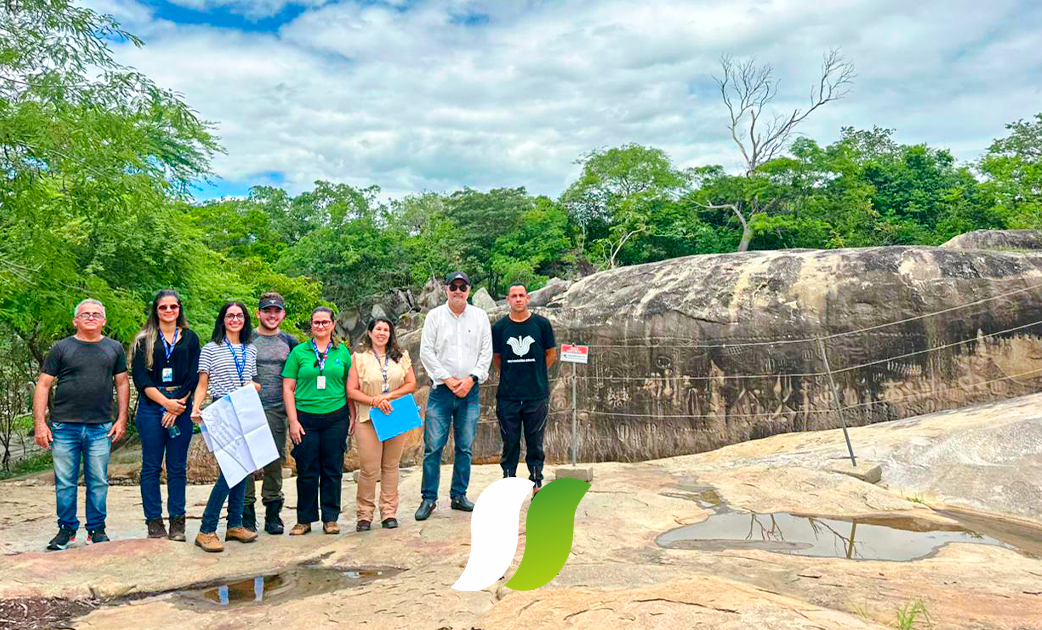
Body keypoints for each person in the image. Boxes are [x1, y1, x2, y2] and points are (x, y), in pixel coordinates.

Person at [32, 298, 130, 550]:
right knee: (65, 481)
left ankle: (96, 529)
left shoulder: (114, 348)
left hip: (100, 426)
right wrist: (40, 423)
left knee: (98, 480)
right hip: (65, 426)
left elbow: (121, 383)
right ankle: (66, 529)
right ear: (75, 320)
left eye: (96, 314)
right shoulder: (62, 348)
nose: (90, 317)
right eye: (85, 314)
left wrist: (121, 418)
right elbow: (43, 385)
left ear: (104, 321)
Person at [415, 271, 492, 521]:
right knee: (433, 446)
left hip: (469, 391)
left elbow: (485, 352)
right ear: (446, 289)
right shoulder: (435, 316)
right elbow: (426, 351)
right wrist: (448, 379)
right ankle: (429, 498)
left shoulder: (480, 316)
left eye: (463, 286)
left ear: (469, 289)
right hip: (441, 391)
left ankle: (459, 495)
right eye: (454, 286)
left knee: (465, 446)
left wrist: (470, 380)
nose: (458, 291)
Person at [190, 302, 261, 553]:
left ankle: (234, 524)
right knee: (231, 470)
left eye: (239, 315)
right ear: (222, 320)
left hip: (246, 406)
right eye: (230, 315)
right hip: (222, 407)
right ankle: (206, 529)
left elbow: (249, 379)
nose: (235, 319)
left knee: (244, 467)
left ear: (245, 320)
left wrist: (254, 386)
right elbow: (202, 384)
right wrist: (195, 408)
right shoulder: (211, 349)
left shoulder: (250, 349)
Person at [130, 290, 201, 541]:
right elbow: (140, 377)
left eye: (173, 307)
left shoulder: (191, 338)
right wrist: (165, 404)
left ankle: (178, 522)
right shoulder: (143, 339)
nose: (169, 311)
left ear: (180, 309)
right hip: (151, 406)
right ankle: (154, 521)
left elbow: (194, 375)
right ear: (156, 310)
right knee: (151, 466)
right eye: (163, 307)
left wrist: (177, 404)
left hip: (181, 404)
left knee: (177, 467)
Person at [283, 306, 352, 535]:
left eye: (324, 322)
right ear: (311, 326)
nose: (320, 326)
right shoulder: (299, 352)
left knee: (332, 469)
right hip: (305, 418)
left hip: (335, 417)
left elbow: (349, 386)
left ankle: (330, 518)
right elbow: (288, 387)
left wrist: (351, 415)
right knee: (306, 468)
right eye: (316, 322)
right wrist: (293, 421)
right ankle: (304, 519)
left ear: (333, 325)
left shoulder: (342, 352)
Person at [347, 317, 417, 531]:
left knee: (391, 466)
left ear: (390, 333)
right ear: (369, 333)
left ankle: (388, 512)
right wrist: (375, 400)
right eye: (378, 329)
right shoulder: (358, 358)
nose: (382, 333)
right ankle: (364, 515)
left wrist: (389, 396)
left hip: (395, 414)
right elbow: (351, 390)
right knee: (369, 469)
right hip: (368, 417)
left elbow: (411, 383)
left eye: (386, 329)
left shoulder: (401, 356)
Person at [491, 283, 556, 494]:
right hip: (508, 396)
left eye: (521, 295)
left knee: (535, 441)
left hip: (536, 394)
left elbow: (550, 355)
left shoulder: (542, 325)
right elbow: (498, 358)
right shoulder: (500, 328)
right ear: (508, 300)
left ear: (528, 299)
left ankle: (536, 482)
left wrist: (534, 371)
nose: (518, 299)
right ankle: (509, 481)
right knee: (510, 442)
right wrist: (514, 374)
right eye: (513, 296)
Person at [244, 292, 299, 534]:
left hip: (278, 409)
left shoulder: (290, 342)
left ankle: (273, 513)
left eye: (276, 311)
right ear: (258, 313)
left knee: (274, 461)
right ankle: (245, 513)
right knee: (245, 462)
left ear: (283, 314)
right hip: (248, 408)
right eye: (267, 310)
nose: (272, 315)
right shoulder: (246, 339)